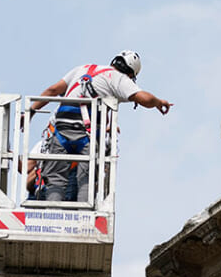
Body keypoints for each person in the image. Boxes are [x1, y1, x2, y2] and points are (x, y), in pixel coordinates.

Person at [25, 50, 172, 202]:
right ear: (130, 74)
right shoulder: (119, 78)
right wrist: (159, 103)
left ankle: (51, 214)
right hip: (86, 135)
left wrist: (30, 112)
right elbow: (145, 99)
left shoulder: (83, 69)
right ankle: (83, 219)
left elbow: (53, 90)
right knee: (85, 179)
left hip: (61, 128)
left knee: (55, 180)